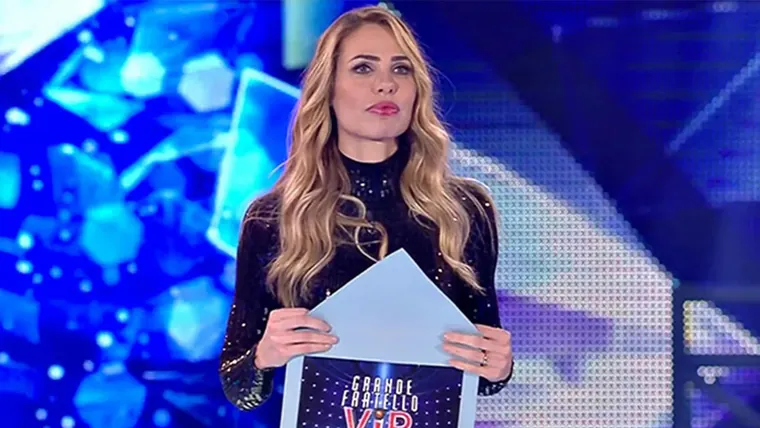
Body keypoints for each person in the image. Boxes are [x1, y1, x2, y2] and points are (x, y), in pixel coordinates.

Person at [218, 4, 514, 414]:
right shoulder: (273, 218)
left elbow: (482, 376)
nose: (386, 84)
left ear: (417, 90)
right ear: (328, 89)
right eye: (363, 68)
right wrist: (265, 355)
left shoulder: (464, 210)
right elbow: (238, 386)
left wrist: (499, 366)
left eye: (401, 69)